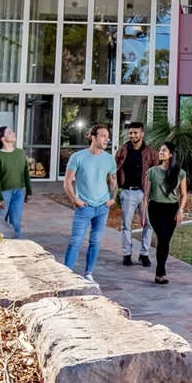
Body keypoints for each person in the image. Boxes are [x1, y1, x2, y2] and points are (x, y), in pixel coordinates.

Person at [62, 124, 117, 283]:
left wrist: (112, 199)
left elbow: (113, 181)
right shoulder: (78, 157)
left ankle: (88, 274)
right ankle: (66, 276)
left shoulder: (109, 159)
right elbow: (67, 181)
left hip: (102, 207)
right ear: (92, 137)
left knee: (95, 241)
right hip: (84, 207)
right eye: (103, 135)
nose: (107, 139)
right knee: (75, 242)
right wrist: (75, 200)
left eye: (108, 136)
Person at [115, 121, 158, 267]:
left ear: (142, 133)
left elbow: (156, 173)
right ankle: (127, 254)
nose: (132, 136)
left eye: (135, 133)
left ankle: (144, 254)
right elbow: (115, 170)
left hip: (145, 194)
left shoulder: (151, 152)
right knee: (126, 225)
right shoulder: (123, 150)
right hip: (128, 192)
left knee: (149, 223)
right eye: (130, 133)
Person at [146, 141, 187, 285]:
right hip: (155, 209)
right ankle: (161, 272)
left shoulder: (180, 173)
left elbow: (183, 194)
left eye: (164, 150)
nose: (160, 152)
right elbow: (146, 195)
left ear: (171, 154)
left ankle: (159, 272)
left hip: (172, 210)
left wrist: (180, 210)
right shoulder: (152, 172)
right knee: (163, 238)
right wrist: (143, 214)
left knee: (165, 241)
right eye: (160, 150)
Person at [0, 126, 31, 238]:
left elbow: (26, 173)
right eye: (10, 133)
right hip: (2, 194)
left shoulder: (20, 153)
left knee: (16, 225)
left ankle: (18, 250)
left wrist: (29, 191)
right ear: (2, 138)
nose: (14, 133)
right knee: (2, 227)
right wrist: (0, 199)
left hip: (18, 193)